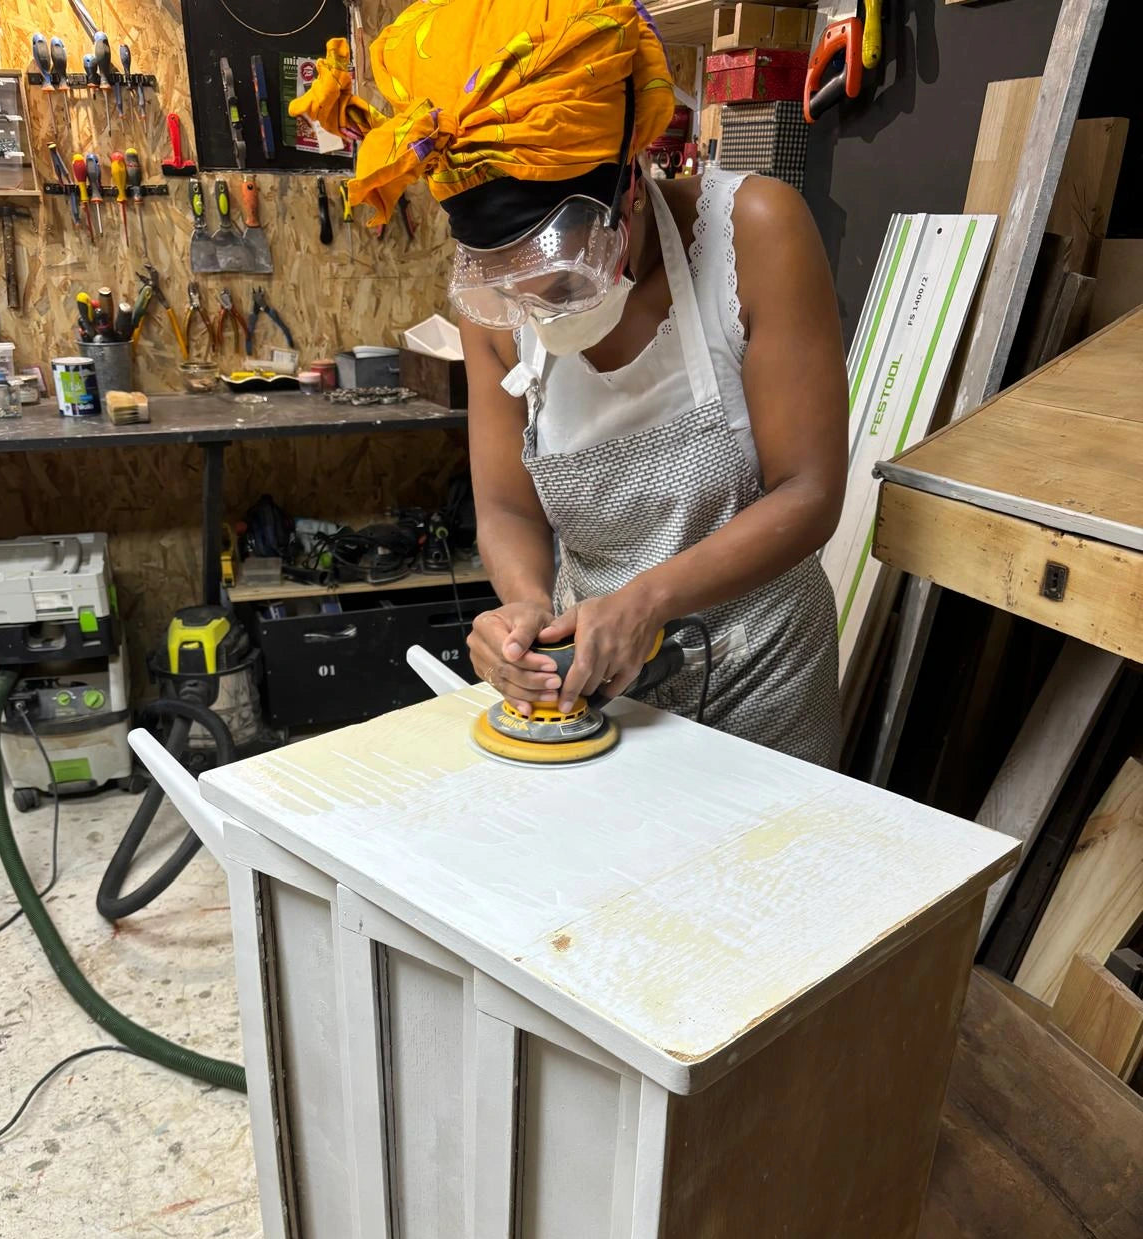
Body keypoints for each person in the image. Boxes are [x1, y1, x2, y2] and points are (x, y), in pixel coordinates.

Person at [290, 0, 848, 766]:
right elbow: (508, 507)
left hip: (764, 675)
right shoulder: (496, 303)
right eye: (509, 283)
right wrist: (522, 605)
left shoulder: (756, 230)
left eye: (557, 278)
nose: (535, 309)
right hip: (592, 682)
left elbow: (809, 491)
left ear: (627, 189)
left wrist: (647, 600)